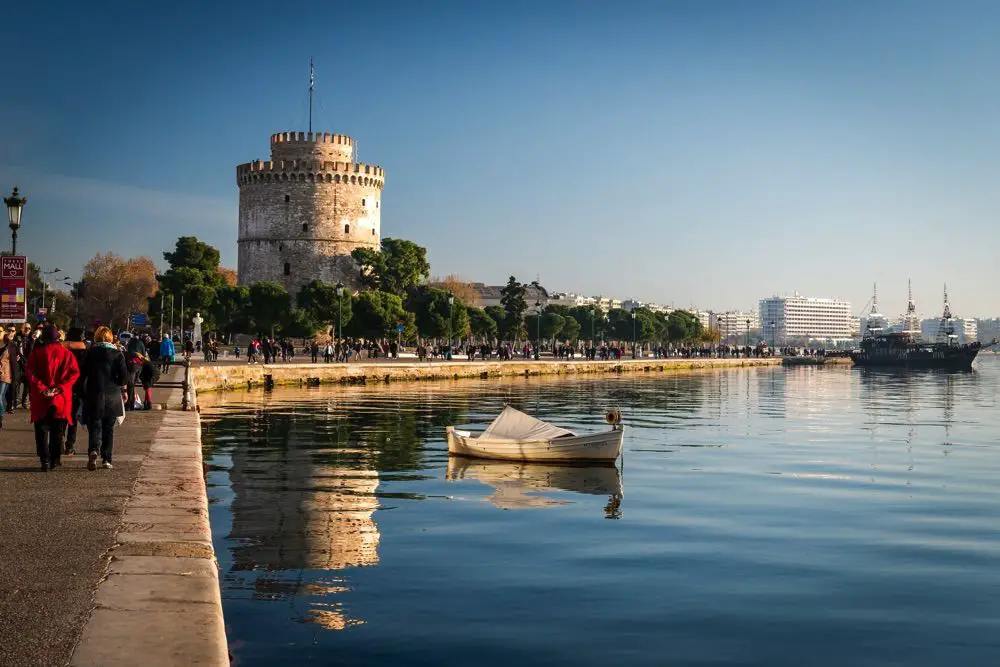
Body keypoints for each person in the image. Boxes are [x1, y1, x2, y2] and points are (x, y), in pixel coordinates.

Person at [26, 325, 80, 471]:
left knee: (42, 429)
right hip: (61, 397)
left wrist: (43, 389)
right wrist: (59, 387)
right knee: (58, 429)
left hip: (41, 397)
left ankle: (44, 460)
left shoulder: (37, 353)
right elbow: (74, 374)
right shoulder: (67, 354)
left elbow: (30, 373)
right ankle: (55, 458)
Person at [81, 326, 128, 470]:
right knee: (109, 428)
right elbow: (124, 377)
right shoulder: (117, 354)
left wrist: (81, 393)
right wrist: (119, 384)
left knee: (95, 425)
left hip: (94, 394)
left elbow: (82, 375)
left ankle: (94, 450)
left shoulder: (90, 353)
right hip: (112, 394)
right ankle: (107, 459)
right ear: (110, 338)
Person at [62, 327, 89, 455]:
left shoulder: (63, 349)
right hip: (78, 387)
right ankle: (70, 445)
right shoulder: (84, 351)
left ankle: (58, 441)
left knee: (61, 416)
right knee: (73, 418)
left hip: (62, 387)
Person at [125, 333, 147, 411]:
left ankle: (129, 404)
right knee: (132, 385)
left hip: (131, 363)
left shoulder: (130, 343)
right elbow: (143, 354)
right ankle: (131, 404)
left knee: (130, 385)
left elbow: (127, 352)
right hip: (139, 364)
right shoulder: (141, 343)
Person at [0, 329, 13, 428]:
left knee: (0, 396)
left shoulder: (10, 346)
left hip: (5, 374)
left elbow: (19, 357)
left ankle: (0, 416)